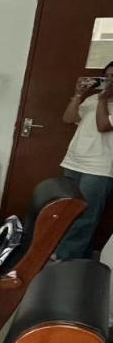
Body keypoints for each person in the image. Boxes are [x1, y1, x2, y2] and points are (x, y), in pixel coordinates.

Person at [56, 65, 113, 259]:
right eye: (107, 76)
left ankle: (66, 257)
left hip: (99, 167)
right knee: (68, 210)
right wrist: (78, 95)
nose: (109, 80)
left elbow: (103, 125)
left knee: (85, 215)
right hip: (74, 162)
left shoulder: (101, 100)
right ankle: (75, 254)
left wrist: (103, 100)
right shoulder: (92, 99)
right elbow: (68, 118)